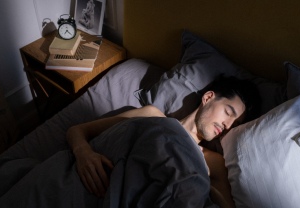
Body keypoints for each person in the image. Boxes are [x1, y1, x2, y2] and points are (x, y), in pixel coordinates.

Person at [66, 75, 260, 207]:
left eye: (235, 124)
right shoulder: (152, 116)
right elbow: (78, 130)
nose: (228, 126)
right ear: (208, 97)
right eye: (228, 113)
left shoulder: (212, 161)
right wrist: (84, 153)